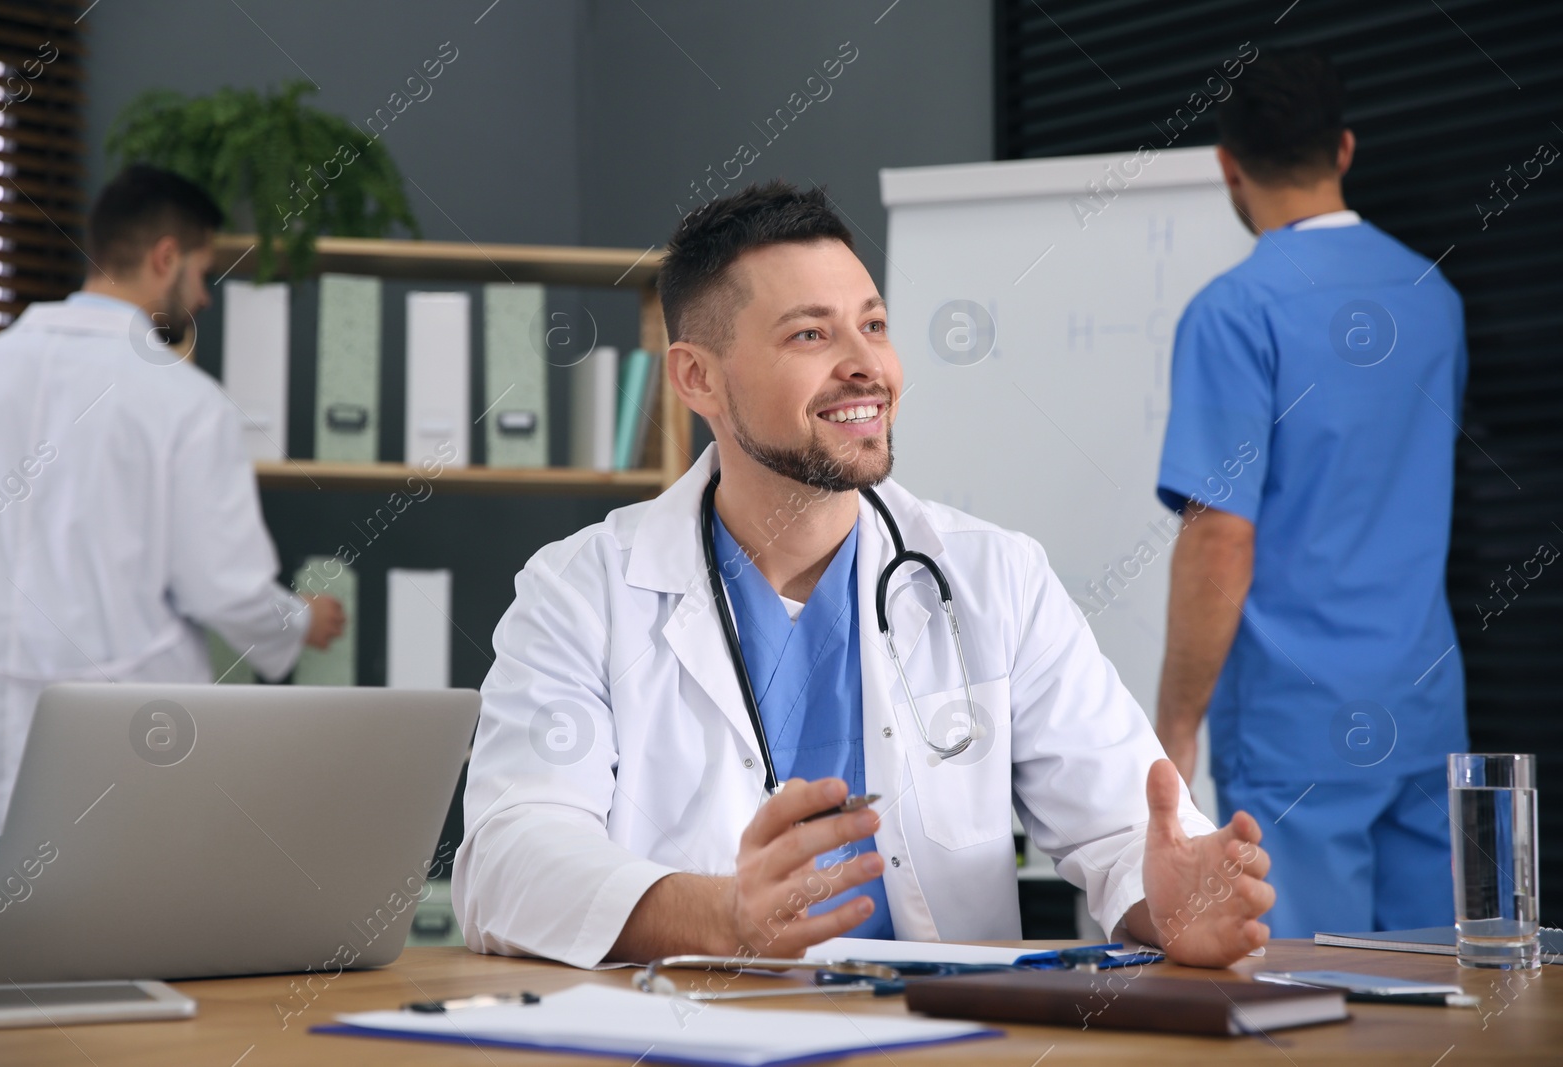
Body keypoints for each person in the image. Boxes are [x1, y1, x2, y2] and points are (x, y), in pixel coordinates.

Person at [453, 180, 1274, 969]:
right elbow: (510, 855)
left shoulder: (995, 577)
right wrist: (721, 917)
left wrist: (1170, 902)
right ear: (698, 377)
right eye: (810, 334)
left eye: (874, 325)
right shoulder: (581, 591)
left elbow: (1127, 828)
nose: (866, 365)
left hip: (937, 1042)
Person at [1154, 52, 1467, 938]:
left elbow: (1220, 538)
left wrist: (1176, 727)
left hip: (1299, 727)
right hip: (1424, 703)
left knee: (1305, 1001)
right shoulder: (1432, 296)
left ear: (1228, 163)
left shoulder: (1236, 310)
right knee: (1433, 996)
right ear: (1345, 148)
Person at [0, 164, 346, 841]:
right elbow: (222, 588)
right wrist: (298, 620)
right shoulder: (185, 401)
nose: (202, 296)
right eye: (201, 271)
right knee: (118, 933)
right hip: (124, 736)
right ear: (164, 256)